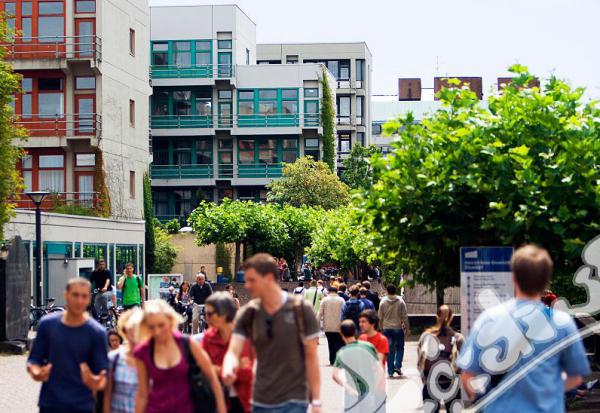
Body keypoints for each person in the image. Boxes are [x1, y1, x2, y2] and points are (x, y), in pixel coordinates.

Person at [458, 245, 591, 412]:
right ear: (546, 280)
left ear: (513, 278)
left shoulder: (489, 318)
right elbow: (575, 378)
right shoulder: (562, 323)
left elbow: (467, 376)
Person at [223, 253, 322, 413]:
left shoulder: (301, 309)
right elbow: (233, 351)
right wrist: (229, 367)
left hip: (294, 399)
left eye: (252, 280)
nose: (247, 285)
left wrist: (316, 401)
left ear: (269, 278)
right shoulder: (248, 313)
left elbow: (311, 357)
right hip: (261, 399)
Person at [28, 277, 108, 413]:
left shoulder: (97, 332)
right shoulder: (47, 325)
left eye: (84, 296)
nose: (79, 300)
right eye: (75, 295)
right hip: (50, 403)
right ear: (66, 295)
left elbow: (102, 375)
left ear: (89, 299)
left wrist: (94, 381)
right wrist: (37, 373)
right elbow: (34, 360)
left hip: (82, 405)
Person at [133, 299, 226, 413]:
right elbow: (142, 393)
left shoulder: (187, 343)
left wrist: (222, 409)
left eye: (161, 325)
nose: (157, 331)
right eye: (151, 327)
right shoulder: (143, 351)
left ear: (170, 321)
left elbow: (211, 376)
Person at [202, 292, 254, 413]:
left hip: (246, 401)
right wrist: (229, 370)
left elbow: (251, 372)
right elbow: (204, 369)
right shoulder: (208, 337)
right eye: (205, 314)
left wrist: (217, 370)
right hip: (217, 400)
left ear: (224, 314)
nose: (206, 318)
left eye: (210, 314)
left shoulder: (246, 336)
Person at [417, 305, 464, 413]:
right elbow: (464, 362)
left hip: (430, 382)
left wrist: (423, 376)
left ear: (436, 316)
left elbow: (420, 360)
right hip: (452, 383)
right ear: (451, 317)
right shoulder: (458, 338)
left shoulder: (426, 336)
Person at [332, 320, 385, 413]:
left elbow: (335, 375)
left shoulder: (342, 352)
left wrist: (347, 388)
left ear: (341, 334)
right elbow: (380, 369)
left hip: (352, 393)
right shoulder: (369, 347)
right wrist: (375, 386)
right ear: (355, 331)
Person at [104, 309, 143, 413]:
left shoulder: (151, 360)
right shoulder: (113, 358)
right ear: (124, 330)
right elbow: (107, 396)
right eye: (131, 328)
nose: (135, 332)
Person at [378, 284, 410, 377]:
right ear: (395, 291)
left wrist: (381, 328)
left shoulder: (383, 302)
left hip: (387, 329)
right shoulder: (400, 301)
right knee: (400, 348)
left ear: (387, 291)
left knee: (389, 350)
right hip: (398, 328)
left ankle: (390, 371)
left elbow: (380, 317)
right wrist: (407, 328)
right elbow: (404, 316)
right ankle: (398, 366)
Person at [318, 286, 346, 365]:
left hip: (328, 326)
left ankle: (332, 360)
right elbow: (344, 312)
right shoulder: (341, 300)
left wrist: (316, 323)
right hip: (339, 326)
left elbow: (320, 313)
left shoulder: (324, 300)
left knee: (330, 343)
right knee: (338, 343)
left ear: (328, 291)